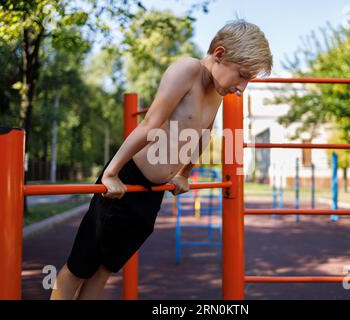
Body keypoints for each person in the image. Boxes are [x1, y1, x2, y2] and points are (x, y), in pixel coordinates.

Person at [50, 19, 272, 300]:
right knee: (81, 266)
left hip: (152, 193)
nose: (242, 88)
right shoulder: (187, 70)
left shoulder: (217, 93)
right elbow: (150, 124)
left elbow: (201, 135)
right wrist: (111, 174)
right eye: (242, 76)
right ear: (219, 54)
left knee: (105, 268)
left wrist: (184, 173)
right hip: (126, 178)